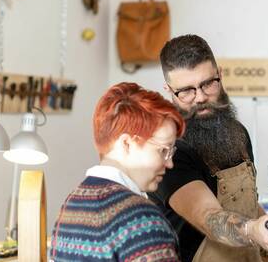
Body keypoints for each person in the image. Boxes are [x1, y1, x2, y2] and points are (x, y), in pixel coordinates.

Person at [150, 34, 268, 262]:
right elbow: (208, 217)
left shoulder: (237, 133)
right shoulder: (170, 151)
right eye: (186, 91)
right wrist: (251, 231)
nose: (200, 98)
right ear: (169, 90)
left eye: (208, 84)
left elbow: (246, 203)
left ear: (220, 75)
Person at [51, 82, 185, 262]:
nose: (169, 164)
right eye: (163, 150)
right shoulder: (141, 219)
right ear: (127, 144)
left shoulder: (71, 205)